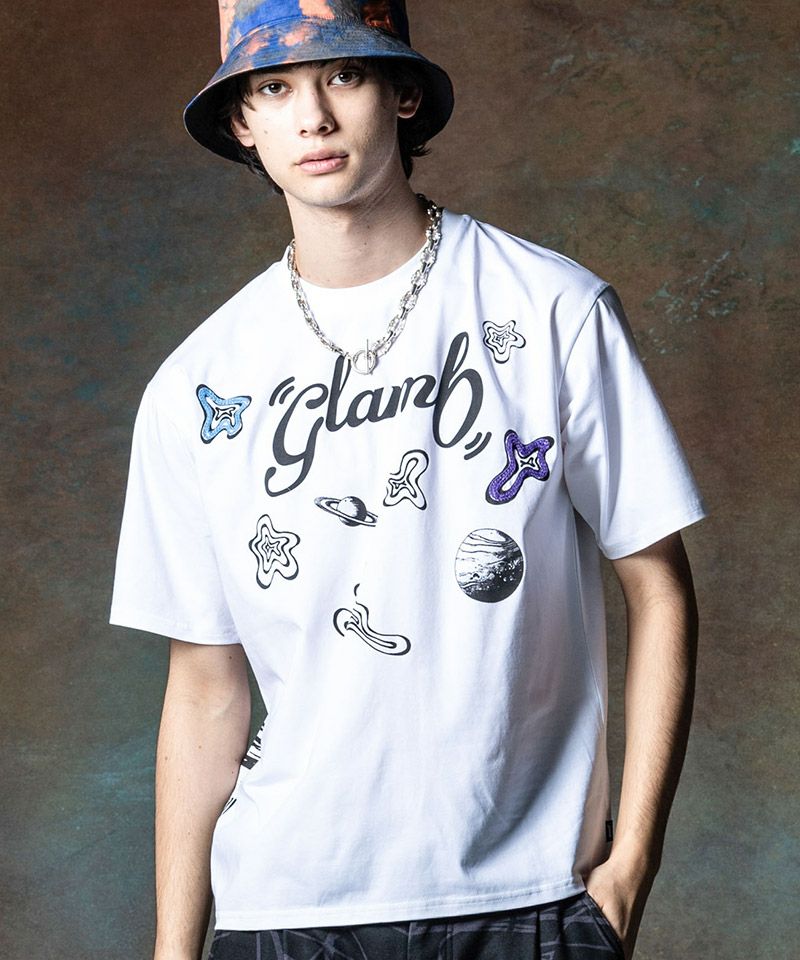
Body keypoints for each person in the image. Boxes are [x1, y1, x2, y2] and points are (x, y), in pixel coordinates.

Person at [110, 3, 707, 959]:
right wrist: (174, 952)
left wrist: (630, 866)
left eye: (343, 75)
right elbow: (205, 686)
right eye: (275, 87)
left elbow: (659, 584)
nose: (313, 116)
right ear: (241, 122)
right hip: (284, 912)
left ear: (403, 94)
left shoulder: (551, 309)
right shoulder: (197, 385)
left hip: (529, 899)